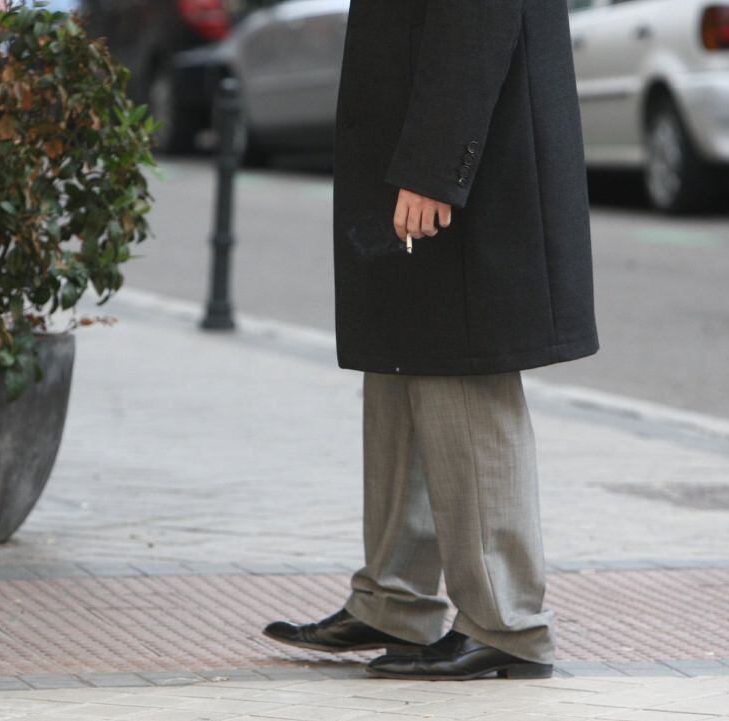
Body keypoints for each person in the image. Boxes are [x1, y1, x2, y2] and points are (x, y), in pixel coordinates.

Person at [263, 0, 599, 681]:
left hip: (467, 155)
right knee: (402, 361)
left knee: (461, 371)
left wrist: (435, 163)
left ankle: (507, 621)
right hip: (414, 138)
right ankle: (395, 601)